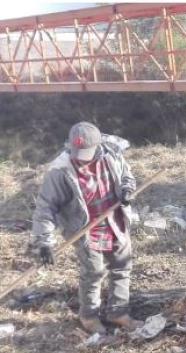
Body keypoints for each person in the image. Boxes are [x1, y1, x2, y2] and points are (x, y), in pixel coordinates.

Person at [31, 122, 143, 334]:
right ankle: (89, 316)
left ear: (98, 145)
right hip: (86, 229)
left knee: (121, 266)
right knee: (93, 272)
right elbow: (46, 207)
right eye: (78, 152)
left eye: (87, 153)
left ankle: (118, 312)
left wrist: (127, 189)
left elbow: (127, 175)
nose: (81, 158)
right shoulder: (60, 171)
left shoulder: (112, 154)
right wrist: (44, 241)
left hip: (115, 220)